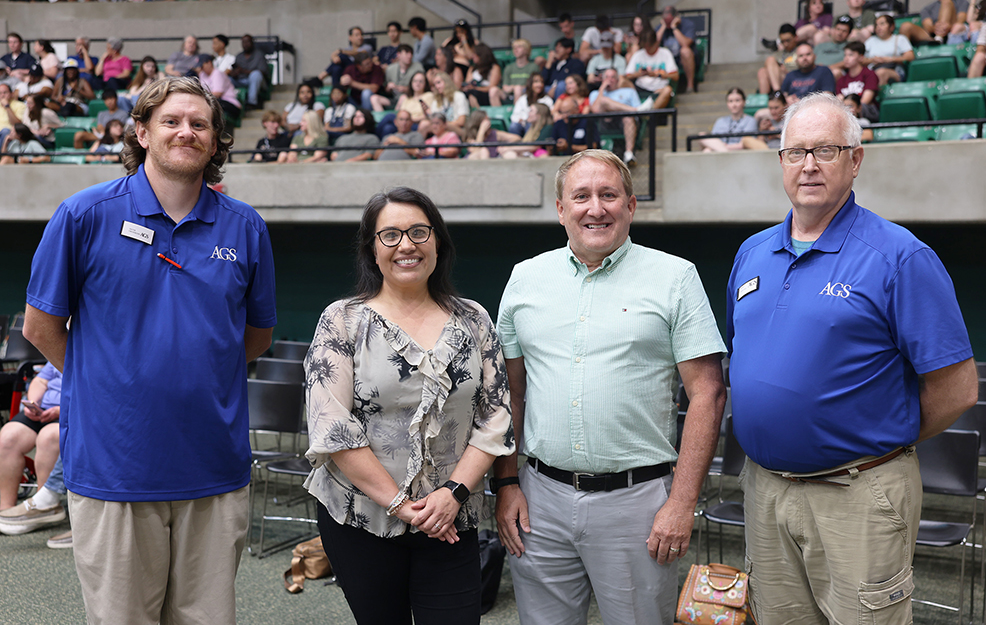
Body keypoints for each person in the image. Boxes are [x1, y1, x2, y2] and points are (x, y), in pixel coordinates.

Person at [22, 76, 277, 625]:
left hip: (214, 466)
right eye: (171, 120)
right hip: (115, 466)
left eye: (199, 123)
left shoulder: (246, 227)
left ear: (214, 140)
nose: (186, 131)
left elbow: (255, 337)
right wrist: (108, 383)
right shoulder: (83, 215)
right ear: (140, 131)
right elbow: (41, 327)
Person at [725, 91, 978, 625]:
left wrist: (874, 439)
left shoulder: (899, 257)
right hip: (765, 489)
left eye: (827, 150)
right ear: (781, 162)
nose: (809, 165)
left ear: (856, 159)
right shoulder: (752, 252)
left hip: (858, 494)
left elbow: (957, 389)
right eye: (796, 152)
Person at [493, 149, 728, 625]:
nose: (595, 208)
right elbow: (508, 395)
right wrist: (506, 482)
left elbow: (708, 393)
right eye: (581, 196)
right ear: (561, 209)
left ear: (631, 205)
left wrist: (681, 504)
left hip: (637, 505)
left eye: (608, 195)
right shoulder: (525, 279)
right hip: (538, 499)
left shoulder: (676, 277)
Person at [304, 186, 514, 623]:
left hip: (451, 521)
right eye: (391, 235)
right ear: (372, 249)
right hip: (362, 519)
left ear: (438, 241)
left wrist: (454, 493)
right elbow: (333, 428)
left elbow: (496, 416)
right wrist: (400, 504)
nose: (407, 245)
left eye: (419, 232)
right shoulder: (342, 320)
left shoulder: (473, 318)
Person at [0, 363, 62, 513]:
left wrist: (61, 410)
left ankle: (42, 508)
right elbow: (40, 381)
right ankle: (5, 509)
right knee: (8, 437)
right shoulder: (62, 348)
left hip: (71, 412)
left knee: (47, 438)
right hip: (42, 410)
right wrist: (32, 403)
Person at [587, 67, 650, 166]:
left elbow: (639, 114)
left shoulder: (629, 91)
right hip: (605, 124)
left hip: (625, 124)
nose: (609, 80)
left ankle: (629, 154)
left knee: (628, 118)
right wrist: (602, 89)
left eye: (612, 77)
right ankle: (631, 110)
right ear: (602, 79)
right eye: (607, 77)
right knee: (603, 101)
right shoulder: (595, 93)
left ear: (617, 80)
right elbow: (595, 110)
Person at [899, 0, 970, 45]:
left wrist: (949, 26)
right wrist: (936, 28)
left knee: (947, 1)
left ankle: (939, 38)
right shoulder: (928, 8)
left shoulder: (962, 2)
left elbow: (961, 19)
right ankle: (904, 54)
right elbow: (928, 26)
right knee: (905, 26)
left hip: (952, 32)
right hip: (932, 36)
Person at [623, 29, 677, 109]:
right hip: (640, 88)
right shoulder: (638, 54)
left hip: (659, 89)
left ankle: (648, 113)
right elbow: (627, 75)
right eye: (645, 46)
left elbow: (675, 76)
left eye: (649, 46)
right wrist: (639, 74)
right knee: (621, 81)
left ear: (656, 43)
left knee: (668, 90)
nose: (647, 48)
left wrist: (656, 74)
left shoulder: (665, 53)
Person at [656, 6, 699, 93]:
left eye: (669, 21)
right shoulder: (661, 26)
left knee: (685, 51)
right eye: (665, 22)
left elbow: (685, 44)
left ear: (676, 18)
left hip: (682, 59)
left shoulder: (687, 24)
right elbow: (653, 44)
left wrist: (674, 27)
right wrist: (664, 26)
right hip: (666, 59)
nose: (668, 25)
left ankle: (690, 86)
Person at [700, 87, 757, 153]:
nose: (734, 105)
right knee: (702, 137)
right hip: (720, 153)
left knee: (708, 150)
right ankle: (724, 152)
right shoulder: (720, 121)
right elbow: (713, 141)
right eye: (730, 101)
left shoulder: (751, 121)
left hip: (740, 154)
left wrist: (724, 147)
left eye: (737, 100)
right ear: (727, 104)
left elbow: (746, 144)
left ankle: (724, 152)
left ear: (744, 102)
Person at [864, 15, 915, 86]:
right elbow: (861, 60)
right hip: (873, 69)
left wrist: (890, 59)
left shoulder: (900, 39)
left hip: (895, 70)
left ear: (891, 27)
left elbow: (910, 56)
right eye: (876, 25)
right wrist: (872, 60)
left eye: (882, 24)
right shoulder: (870, 41)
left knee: (881, 73)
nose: (878, 27)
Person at [836, 41, 880, 122]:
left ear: (861, 57)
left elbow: (865, 100)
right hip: (847, 113)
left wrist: (849, 107)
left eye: (851, 55)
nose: (846, 58)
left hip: (866, 113)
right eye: (845, 55)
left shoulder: (869, 74)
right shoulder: (842, 79)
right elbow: (839, 101)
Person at [757, 24, 799, 95]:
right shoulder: (778, 54)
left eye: (788, 40)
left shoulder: (802, 51)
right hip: (779, 80)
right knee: (762, 71)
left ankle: (777, 93)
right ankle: (767, 98)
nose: (785, 44)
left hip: (795, 79)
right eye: (783, 41)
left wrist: (786, 70)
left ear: (796, 37)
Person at [508, 72, 553, 137]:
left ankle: (529, 144)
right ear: (530, 84)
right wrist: (521, 120)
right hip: (522, 124)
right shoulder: (523, 99)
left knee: (530, 124)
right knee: (513, 126)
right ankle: (514, 145)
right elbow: (514, 116)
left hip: (539, 125)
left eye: (541, 82)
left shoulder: (547, 99)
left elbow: (549, 116)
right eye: (536, 82)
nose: (539, 84)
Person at [231, 35, 269, 109]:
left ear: (252, 43)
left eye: (247, 42)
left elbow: (263, 72)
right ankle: (231, 103)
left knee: (256, 75)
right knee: (228, 79)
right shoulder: (239, 56)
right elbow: (235, 71)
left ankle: (252, 103)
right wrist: (234, 73)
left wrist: (243, 71)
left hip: (257, 81)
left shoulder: (259, 55)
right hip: (241, 80)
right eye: (243, 42)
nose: (245, 44)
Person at [501, 39, 536, 104]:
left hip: (527, 93)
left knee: (518, 89)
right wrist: (513, 88)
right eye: (514, 47)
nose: (515, 49)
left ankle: (516, 113)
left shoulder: (533, 67)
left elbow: (534, 85)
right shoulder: (509, 67)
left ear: (526, 50)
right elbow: (505, 87)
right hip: (510, 93)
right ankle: (498, 113)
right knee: (493, 91)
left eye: (519, 47)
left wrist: (517, 87)